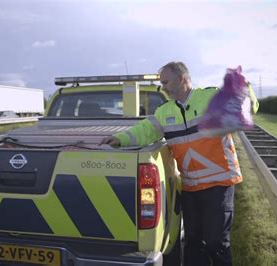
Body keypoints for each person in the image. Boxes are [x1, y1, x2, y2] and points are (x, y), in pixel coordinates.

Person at [100, 61, 259, 266]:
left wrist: (244, 88)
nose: (163, 87)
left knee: (216, 242)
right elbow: (145, 131)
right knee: (192, 242)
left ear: (182, 78)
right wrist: (120, 139)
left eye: (166, 82)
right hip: (190, 187)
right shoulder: (164, 112)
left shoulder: (209, 97)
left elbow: (247, 106)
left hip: (219, 184)